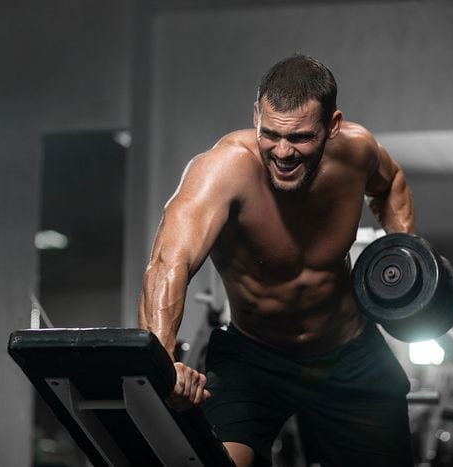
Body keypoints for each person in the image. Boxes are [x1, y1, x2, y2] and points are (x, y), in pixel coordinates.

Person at [138, 54, 416, 467]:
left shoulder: (356, 153)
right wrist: (162, 365)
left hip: (349, 352)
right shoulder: (223, 171)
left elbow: (390, 183)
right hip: (254, 356)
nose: (283, 152)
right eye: (270, 134)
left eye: (301, 137)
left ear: (332, 126)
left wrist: (406, 258)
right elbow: (167, 264)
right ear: (256, 116)